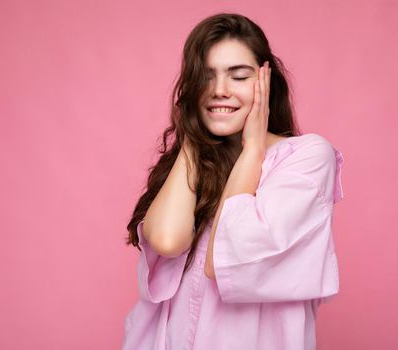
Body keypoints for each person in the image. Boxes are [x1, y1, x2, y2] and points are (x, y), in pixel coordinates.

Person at [122, 12, 345, 350]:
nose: (220, 91)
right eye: (206, 78)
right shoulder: (191, 163)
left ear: (266, 82)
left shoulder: (306, 158)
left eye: (238, 76)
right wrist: (192, 138)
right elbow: (168, 240)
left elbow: (226, 258)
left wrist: (253, 148)